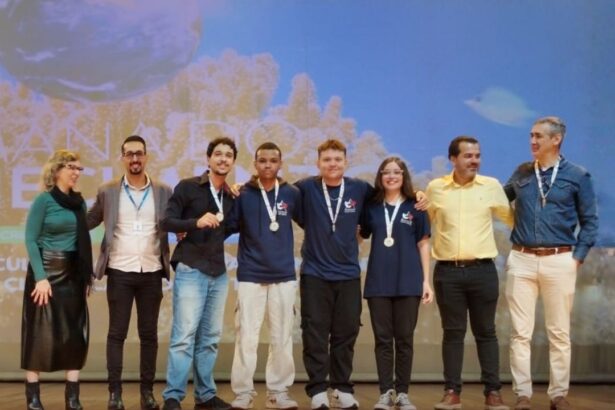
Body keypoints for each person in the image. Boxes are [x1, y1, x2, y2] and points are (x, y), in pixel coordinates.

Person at [504, 117, 598, 410]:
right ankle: (522, 394)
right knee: (520, 333)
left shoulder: (577, 175)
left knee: (559, 332)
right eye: (531, 136)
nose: (532, 141)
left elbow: (590, 222)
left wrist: (576, 258)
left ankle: (558, 394)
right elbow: (495, 200)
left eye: (539, 136)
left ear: (556, 140)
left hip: (560, 259)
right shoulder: (522, 171)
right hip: (521, 259)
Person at [426, 136, 513, 410]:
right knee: (453, 333)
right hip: (447, 273)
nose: (474, 160)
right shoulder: (436, 188)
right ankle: (452, 392)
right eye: (468, 156)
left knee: (486, 332)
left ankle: (493, 393)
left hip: (483, 270)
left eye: (477, 155)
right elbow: (423, 225)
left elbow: (512, 220)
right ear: (453, 159)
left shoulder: (491, 186)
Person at [87, 135, 173, 410]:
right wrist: (60, 216)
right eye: (129, 154)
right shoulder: (108, 190)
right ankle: (115, 394)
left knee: (149, 335)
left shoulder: (163, 190)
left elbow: (177, 218)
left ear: (146, 156)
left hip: (151, 270)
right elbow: (89, 220)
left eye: (139, 153)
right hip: (120, 271)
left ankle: (147, 393)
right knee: (117, 334)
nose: (135, 158)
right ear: (122, 158)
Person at [160, 137, 238, 410]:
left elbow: (229, 228)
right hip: (191, 268)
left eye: (228, 155)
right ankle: (173, 396)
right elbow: (166, 221)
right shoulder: (188, 186)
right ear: (208, 158)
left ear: (233, 162)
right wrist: (195, 222)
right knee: (184, 337)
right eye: (218, 154)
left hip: (218, 272)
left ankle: (205, 396)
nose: (223, 159)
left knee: (210, 339)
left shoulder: (230, 196)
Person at [295, 138, 372, 410]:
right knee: (314, 333)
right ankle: (317, 390)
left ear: (346, 162)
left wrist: (417, 195)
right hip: (315, 274)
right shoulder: (305, 188)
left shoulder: (360, 188)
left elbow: (387, 201)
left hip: (348, 274)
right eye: (327, 159)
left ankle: (341, 388)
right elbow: (276, 195)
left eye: (337, 159)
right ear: (318, 163)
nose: (332, 164)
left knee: (346, 333)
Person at [226, 142, 301, 410]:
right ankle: (243, 393)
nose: (268, 165)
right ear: (255, 164)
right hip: (250, 274)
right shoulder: (243, 194)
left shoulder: (292, 193)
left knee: (282, 336)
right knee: (247, 336)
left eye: (273, 160)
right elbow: (227, 226)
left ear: (280, 164)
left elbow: (311, 221)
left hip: (284, 275)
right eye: (262, 160)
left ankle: (278, 392)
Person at [22, 149, 93, 410]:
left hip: (73, 274)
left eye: (79, 168)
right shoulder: (44, 201)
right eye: (71, 167)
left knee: (74, 334)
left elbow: (81, 242)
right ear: (57, 170)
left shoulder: (80, 203)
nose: (76, 173)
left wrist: (84, 276)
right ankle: (33, 397)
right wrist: (41, 278)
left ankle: (72, 398)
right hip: (46, 273)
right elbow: (31, 240)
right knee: (39, 333)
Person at [360, 157, 433, 410]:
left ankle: (402, 393)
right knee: (383, 340)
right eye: (386, 172)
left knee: (404, 340)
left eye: (396, 172)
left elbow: (423, 244)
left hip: (408, 282)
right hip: (378, 282)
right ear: (380, 176)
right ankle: (385, 392)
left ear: (404, 176)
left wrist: (426, 281)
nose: (391, 176)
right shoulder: (371, 207)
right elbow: (360, 235)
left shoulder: (417, 206)